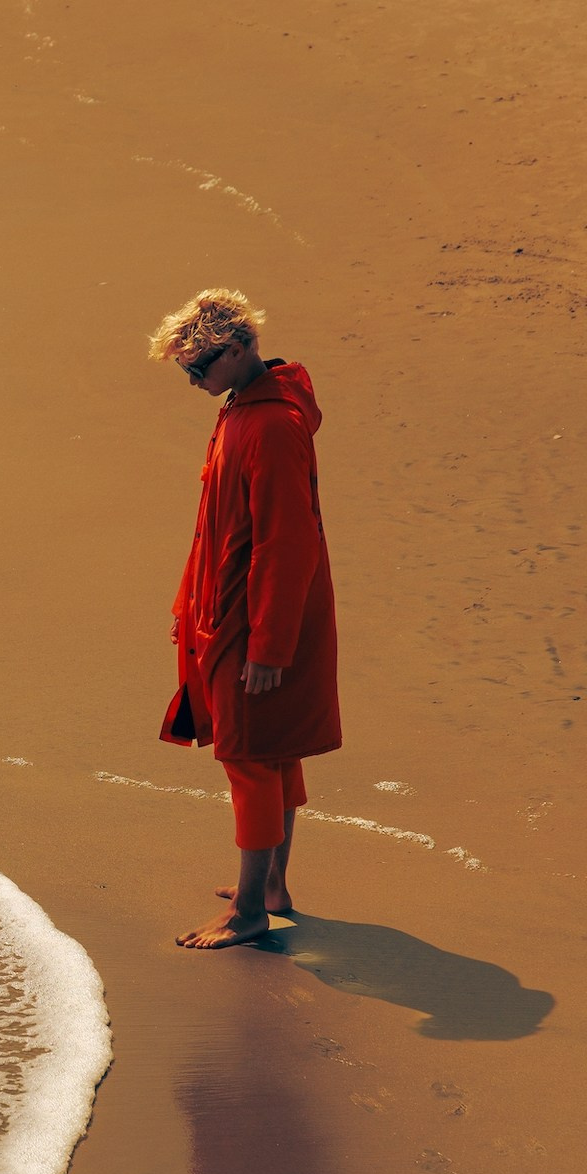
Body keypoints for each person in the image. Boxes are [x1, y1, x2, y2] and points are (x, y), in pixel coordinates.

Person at [148, 289, 341, 948]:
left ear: (240, 350)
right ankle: (273, 885)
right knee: (273, 749)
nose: (194, 380)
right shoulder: (244, 410)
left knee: (250, 757)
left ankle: (250, 912)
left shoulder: (272, 427)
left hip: (254, 623)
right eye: (187, 371)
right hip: (232, 612)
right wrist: (187, 602)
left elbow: (287, 543)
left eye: (201, 366)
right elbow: (220, 530)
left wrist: (269, 646)